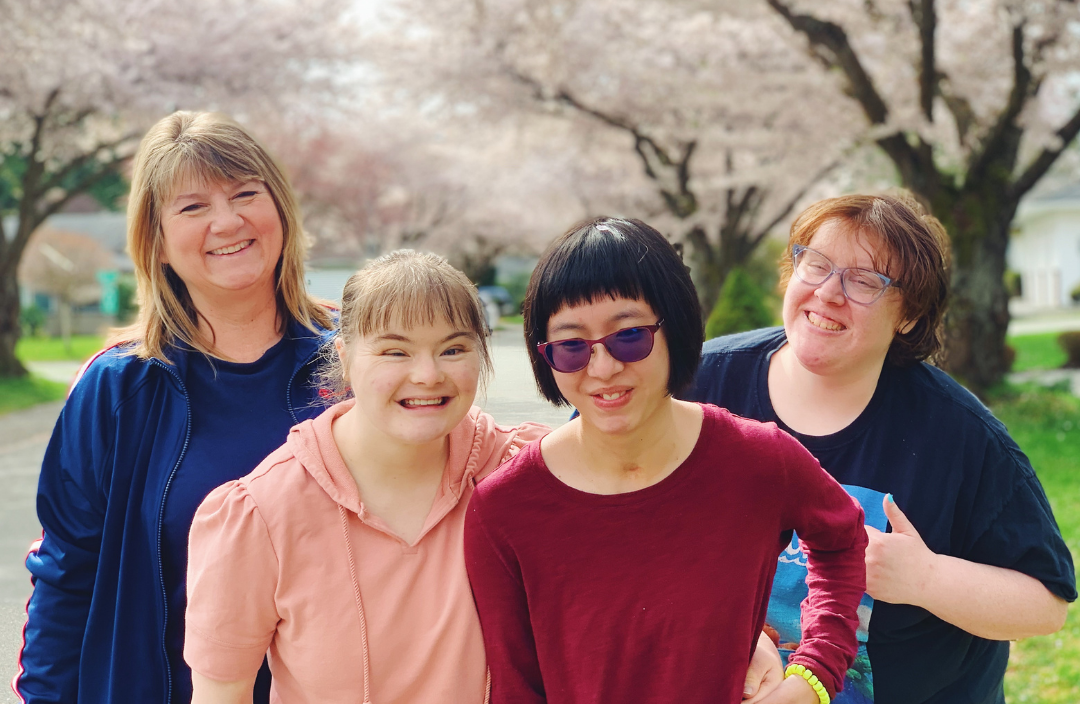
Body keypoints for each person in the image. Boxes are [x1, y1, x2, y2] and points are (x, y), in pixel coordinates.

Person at [684, 193, 1077, 704]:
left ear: (909, 316)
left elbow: (1045, 605)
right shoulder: (696, 384)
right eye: (816, 264)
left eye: (864, 281)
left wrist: (926, 578)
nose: (828, 293)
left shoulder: (960, 436)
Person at [464, 217, 869, 703]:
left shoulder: (759, 460)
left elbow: (842, 541)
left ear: (674, 328)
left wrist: (814, 676)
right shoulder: (504, 509)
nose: (604, 367)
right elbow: (516, 687)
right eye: (572, 347)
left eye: (629, 336)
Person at [16, 111, 335, 704]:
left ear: (281, 211)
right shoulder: (119, 387)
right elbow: (67, 574)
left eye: (245, 194)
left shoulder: (356, 362)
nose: (228, 221)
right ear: (157, 242)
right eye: (193, 208)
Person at [183, 250, 549, 704]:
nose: (428, 375)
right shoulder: (261, 513)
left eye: (453, 349)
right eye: (395, 351)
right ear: (345, 356)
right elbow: (222, 694)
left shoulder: (524, 471)